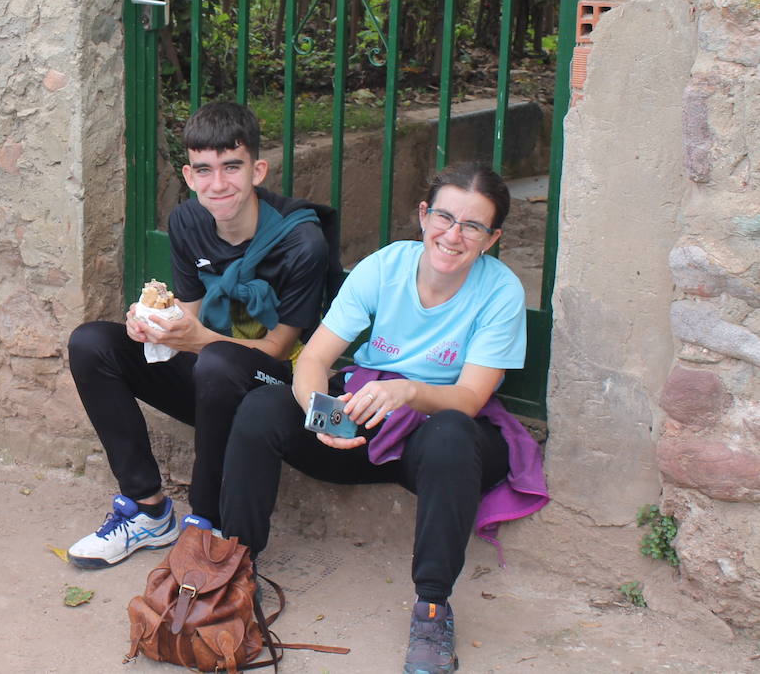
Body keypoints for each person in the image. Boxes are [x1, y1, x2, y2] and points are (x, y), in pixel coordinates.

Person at [219, 162, 549, 674]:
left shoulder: (500, 291)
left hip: (438, 446)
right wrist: (321, 416)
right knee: (263, 406)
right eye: (444, 217)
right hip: (366, 426)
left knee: (453, 435)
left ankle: (433, 608)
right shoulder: (386, 266)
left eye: (473, 226)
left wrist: (411, 390)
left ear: (492, 238)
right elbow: (312, 361)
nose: (453, 235)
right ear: (423, 216)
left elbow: (468, 398)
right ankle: (235, 571)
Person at [65, 101, 340, 568]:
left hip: (271, 387)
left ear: (257, 170)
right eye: (204, 170)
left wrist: (196, 340)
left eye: (231, 167)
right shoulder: (187, 221)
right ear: (190, 177)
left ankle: (206, 523)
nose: (218, 184)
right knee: (91, 343)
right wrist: (155, 326)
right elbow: (189, 318)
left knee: (216, 361)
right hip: (211, 376)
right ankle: (149, 511)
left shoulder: (301, 243)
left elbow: (278, 350)